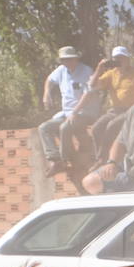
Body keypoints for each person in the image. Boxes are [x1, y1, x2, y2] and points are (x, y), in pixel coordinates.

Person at [38, 46, 99, 177]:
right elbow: (49, 79)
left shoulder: (86, 71)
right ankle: (56, 160)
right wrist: (46, 93)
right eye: (64, 60)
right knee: (44, 127)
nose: (67, 62)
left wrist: (75, 112)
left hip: (85, 112)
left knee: (65, 127)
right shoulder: (61, 70)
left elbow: (88, 94)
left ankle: (65, 160)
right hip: (67, 113)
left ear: (76, 58)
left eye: (70, 59)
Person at [89, 45, 134, 161]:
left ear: (128, 59)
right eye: (116, 59)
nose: (119, 61)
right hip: (114, 110)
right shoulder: (111, 73)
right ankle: (100, 158)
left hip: (131, 110)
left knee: (112, 125)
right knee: (96, 128)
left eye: (122, 58)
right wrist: (99, 67)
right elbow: (92, 85)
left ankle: (104, 158)